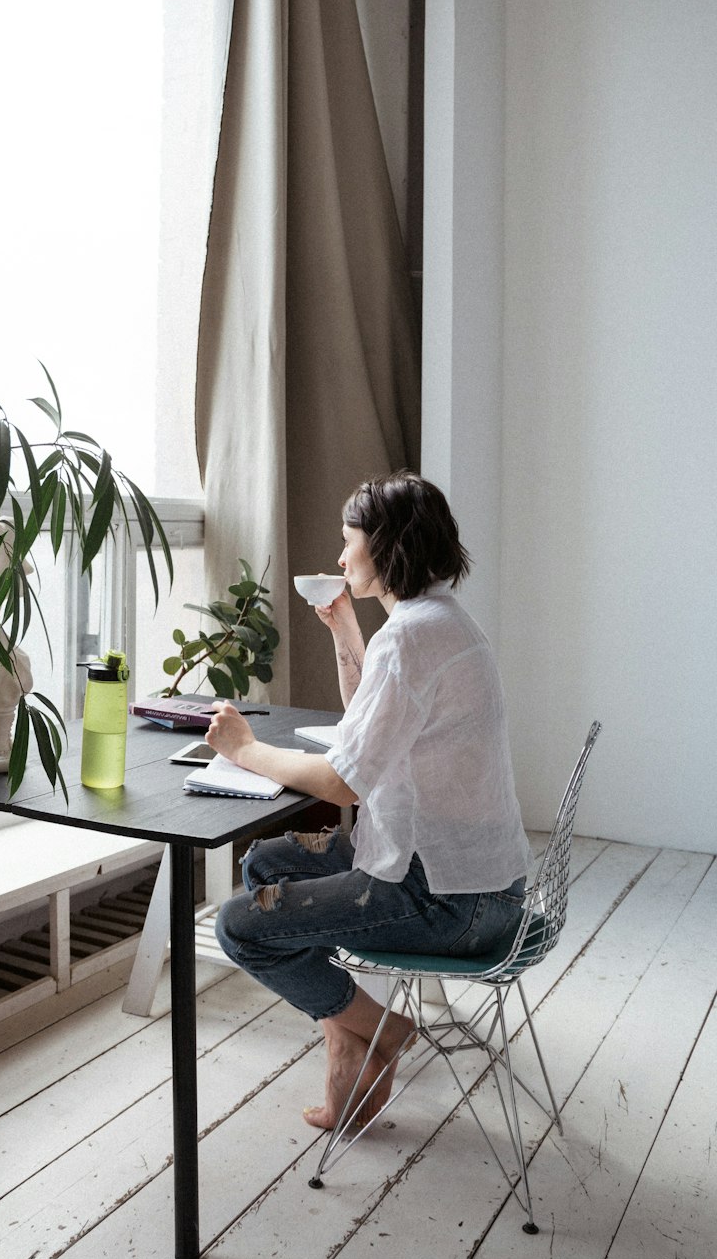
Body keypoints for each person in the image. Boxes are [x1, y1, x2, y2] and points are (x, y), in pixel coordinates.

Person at [208, 472, 530, 1132]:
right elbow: (367, 734)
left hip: (443, 902)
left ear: (385, 546)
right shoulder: (437, 622)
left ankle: (380, 1030)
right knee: (272, 862)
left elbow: (344, 781)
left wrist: (242, 749)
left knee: (241, 924)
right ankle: (345, 1041)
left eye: (348, 541)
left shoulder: (412, 637)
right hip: (476, 886)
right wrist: (344, 631)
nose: (340, 557)